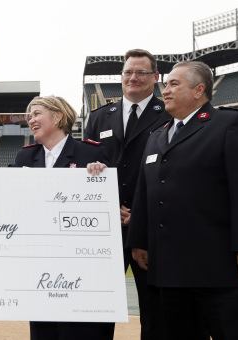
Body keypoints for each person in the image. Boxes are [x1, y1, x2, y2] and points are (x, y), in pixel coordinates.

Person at [127, 61, 238, 340]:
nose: (166, 90)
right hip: (170, 271)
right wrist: (138, 241)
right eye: (166, 84)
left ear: (199, 90)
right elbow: (145, 192)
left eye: (174, 84)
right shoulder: (157, 136)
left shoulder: (231, 124)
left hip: (220, 269)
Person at [0, 96, 109, 339]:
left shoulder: (92, 152)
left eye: (36, 114)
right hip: (40, 264)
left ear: (58, 116)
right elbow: (4, 191)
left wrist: (102, 176)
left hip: (83, 265)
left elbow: (110, 201)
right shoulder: (24, 157)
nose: (31, 120)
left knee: (84, 331)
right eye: (29, 116)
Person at [84, 49, 170, 339]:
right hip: (103, 228)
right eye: (128, 72)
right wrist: (108, 207)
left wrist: (139, 212)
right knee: (96, 307)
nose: (133, 78)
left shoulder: (168, 115)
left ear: (155, 77)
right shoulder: (98, 118)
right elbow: (87, 168)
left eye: (141, 72)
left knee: (155, 310)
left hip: (148, 228)